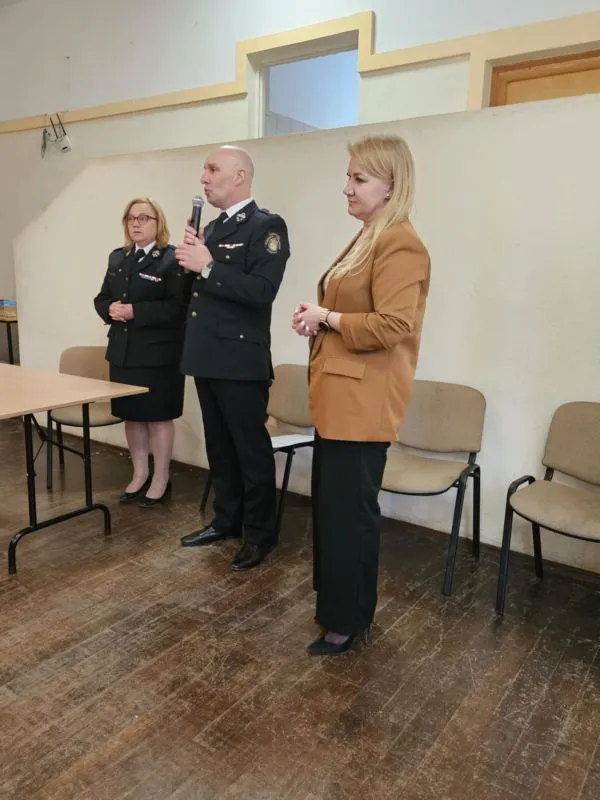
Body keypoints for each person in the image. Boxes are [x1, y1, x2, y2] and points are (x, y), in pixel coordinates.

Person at [292, 134, 431, 655]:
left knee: (349, 514)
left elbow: (394, 324)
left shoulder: (400, 243)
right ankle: (337, 608)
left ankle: (347, 620)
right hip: (339, 401)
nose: (347, 188)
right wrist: (319, 321)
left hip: (363, 405)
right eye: (348, 177)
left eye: (359, 178)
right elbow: (355, 311)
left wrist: (327, 317)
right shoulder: (369, 236)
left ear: (391, 185)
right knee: (334, 511)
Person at [175, 146, 290, 571]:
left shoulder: (266, 226)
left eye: (212, 169)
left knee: (250, 450)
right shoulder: (211, 228)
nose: (203, 177)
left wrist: (207, 266)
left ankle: (260, 534)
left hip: (240, 359)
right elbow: (196, 296)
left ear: (239, 175)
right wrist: (185, 262)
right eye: (204, 169)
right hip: (206, 354)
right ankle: (227, 520)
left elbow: (262, 291)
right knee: (220, 448)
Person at [94, 197, 189, 507]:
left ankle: (161, 478)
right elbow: (101, 298)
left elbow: (179, 308)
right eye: (131, 218)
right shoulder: (118, 258)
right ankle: (139, 474)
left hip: (159, 356)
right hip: (123, 353)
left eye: (144, 218)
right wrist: (109, 308)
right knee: (132, 416)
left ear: (158, 223)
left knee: (158, 418)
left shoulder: (172, 259)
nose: (136, 223)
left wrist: (137, 311)